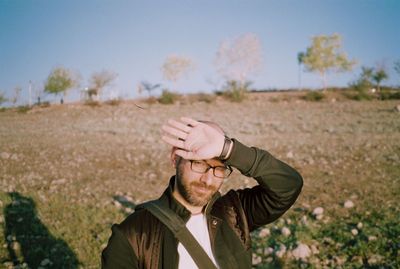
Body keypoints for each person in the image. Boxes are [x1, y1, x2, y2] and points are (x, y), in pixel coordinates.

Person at [102, 117, 303, 269]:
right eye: (198, 163)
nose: (208, 180)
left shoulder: (235, 212)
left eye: (219, 169)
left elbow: (288, 186)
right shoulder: (132, 235)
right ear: (175, 157)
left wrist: (229, 149)